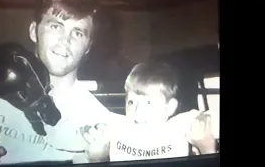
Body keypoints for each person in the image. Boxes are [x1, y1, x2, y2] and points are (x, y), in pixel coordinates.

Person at [0, 0, 120, 164]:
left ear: (88, 47)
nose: (65, 40)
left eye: (77, 33)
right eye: (56, 26)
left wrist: (102, 162)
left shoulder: (101, 124)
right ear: (33, 31)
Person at [81, 63, 217, 162]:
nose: (137, 111)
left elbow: (210, 118)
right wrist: (97, 150)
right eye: (131, 102)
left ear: (169, 107)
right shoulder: (117, 125)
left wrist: (206, 139)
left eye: (149, 103)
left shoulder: (179, 125)